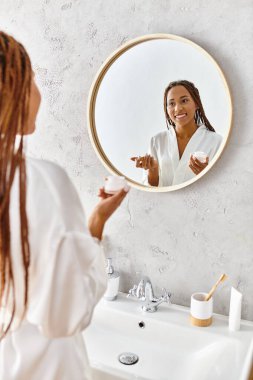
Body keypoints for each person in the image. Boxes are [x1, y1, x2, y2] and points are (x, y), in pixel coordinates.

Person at [0, 31, 128, 380]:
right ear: (13, 88)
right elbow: (65, 316)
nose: (39, 92)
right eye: (35, 78)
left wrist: (94, 223)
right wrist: (95, 231)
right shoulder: (39, 182)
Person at [131, 80, 222, 187]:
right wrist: (153, 171)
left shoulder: (216, 141)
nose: (177, 108)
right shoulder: (157, 141)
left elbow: (221, 187)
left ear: (196, 103)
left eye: (184, 101)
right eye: (171, 103)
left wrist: (207, 175)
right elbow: (151, 192)